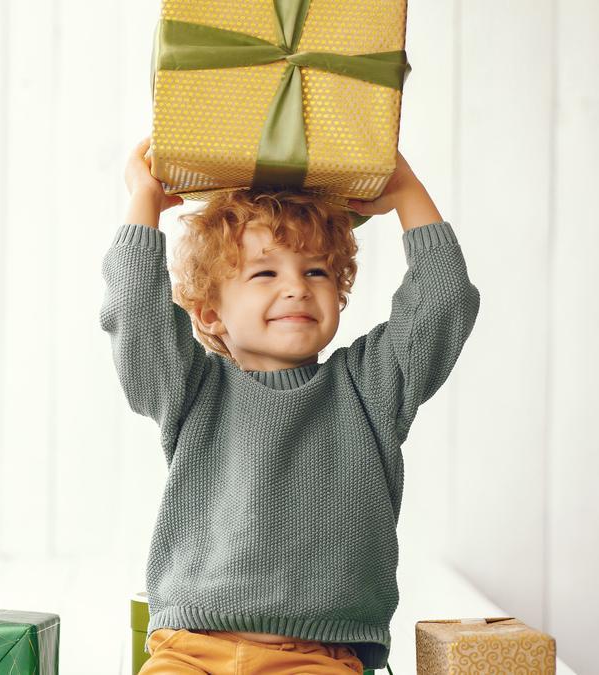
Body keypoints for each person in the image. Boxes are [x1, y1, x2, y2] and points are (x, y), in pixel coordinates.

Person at [100, 137, 481, 674]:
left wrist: (406, 192)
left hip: (317, 656)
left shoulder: (370, 387)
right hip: (191, 648)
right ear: (210, 314)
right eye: (264, 273)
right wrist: (144, 202)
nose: (297, 288)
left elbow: (444, 302)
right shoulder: (188, 387)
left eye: (317, 271)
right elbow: (135, 310)